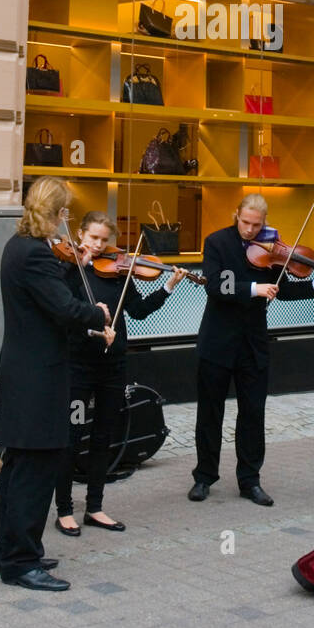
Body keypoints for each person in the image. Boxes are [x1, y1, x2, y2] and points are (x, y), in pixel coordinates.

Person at [0, 178, 115, 590]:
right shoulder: (35, 255)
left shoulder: (19, 247)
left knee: (17, 467)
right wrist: (97, 313)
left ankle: (7, 550)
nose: (66, 223)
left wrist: (67, 265)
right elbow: (63, 308)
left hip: (22, 370)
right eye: (66, 215)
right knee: (35, 468)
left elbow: (43, 293)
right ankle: (21, 562)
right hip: (38, 377)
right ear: (59, 213)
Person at [188, 193, 314, 506]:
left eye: (257, 225)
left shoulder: (271, 247)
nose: (250, 230)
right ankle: (204, 477)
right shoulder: (216, 242)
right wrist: (255, 289)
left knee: (253, 415)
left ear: (264, 223)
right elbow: (216, 285)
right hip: (217, 342)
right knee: (209, 413)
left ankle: (250, 480)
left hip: (253, 344)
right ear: (236, 215)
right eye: (245, 223)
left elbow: (283, 291)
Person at [54, 211, 184, 534]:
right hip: (78, 364)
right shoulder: (68, 271)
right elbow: (62, 313)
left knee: (104, 436)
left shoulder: (117, 271)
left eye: (103, 240)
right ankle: (64, 510)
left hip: (113, 364)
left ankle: (95, 507)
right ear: (80, 234)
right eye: (92, 238)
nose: (98, 246)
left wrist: (168, 285)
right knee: (70, 436)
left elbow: (138, 311)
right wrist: (77, 267)